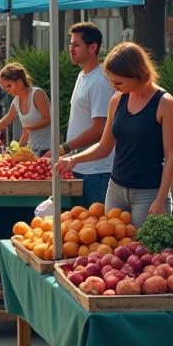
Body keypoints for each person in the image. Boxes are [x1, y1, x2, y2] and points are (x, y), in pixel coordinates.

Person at [57, 43, 173, 228]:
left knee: (143, 252)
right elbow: (104, 147)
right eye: (111, 81)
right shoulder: (117, 100)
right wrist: (74, 159)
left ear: (138, 73)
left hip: (149, 193)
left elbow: (171, 157)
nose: (114, 87)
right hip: (115, 190)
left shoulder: (165, 103)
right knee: (112, 251)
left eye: (118, 82)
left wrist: (161, 199)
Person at [63, 21, 116, 210]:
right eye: (70, 44)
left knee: (100, 230)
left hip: (98, 171)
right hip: (81, 166)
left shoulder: (100, 81)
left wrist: (66, 147)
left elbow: (100, 128)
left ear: (93, 47)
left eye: (76, 45)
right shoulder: (83, 75)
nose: (71, 49)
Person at [0, 63, 52, 154]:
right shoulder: (16, 101)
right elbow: (8, 118)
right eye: (5, 88)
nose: (7, 90)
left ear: (19, 81)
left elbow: (47, 119)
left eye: (9, 86)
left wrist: (29, 129)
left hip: (48, 149)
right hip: (32, 149)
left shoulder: (37, 94)